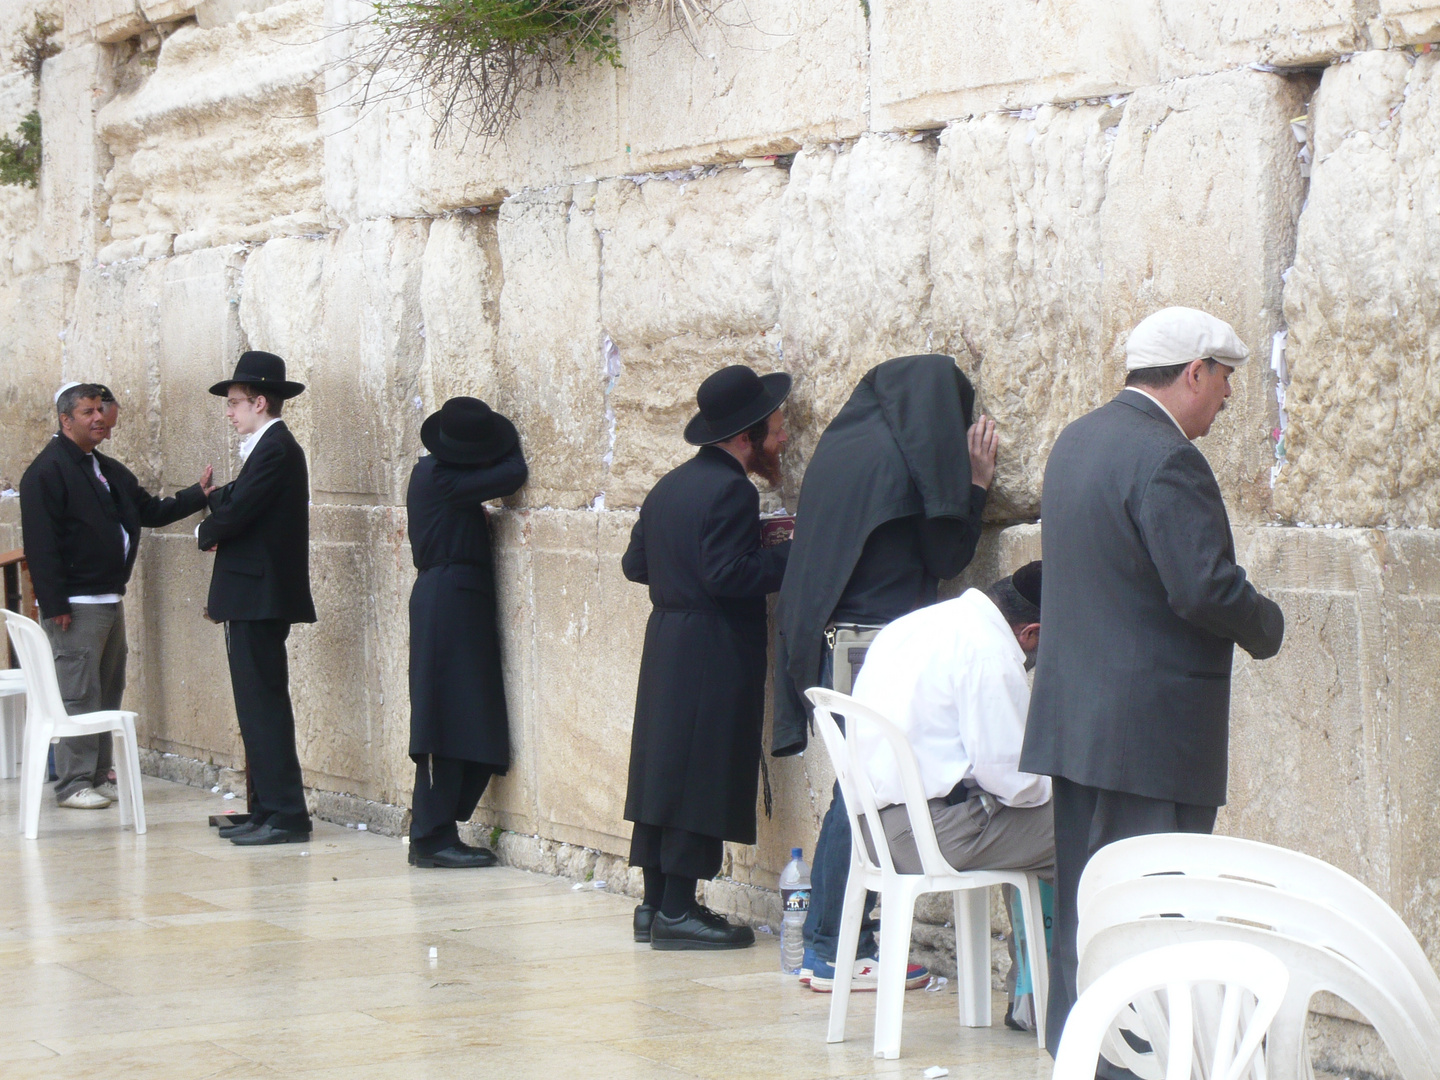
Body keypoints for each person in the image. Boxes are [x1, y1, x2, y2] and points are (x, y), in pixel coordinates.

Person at [1020, 307, 1286, 1055]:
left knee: (1092, 907)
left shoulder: (1078, 440)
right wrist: (1268, 624)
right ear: (1195, 372)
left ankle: (1081, 1053)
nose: (1228, 399)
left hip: (1080, 726)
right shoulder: (1168, 459)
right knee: (1152, 912)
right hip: (1149, 737)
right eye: (1225, 381)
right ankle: (1138, 1062)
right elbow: (1202, 588)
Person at [771, 354, 997, 993]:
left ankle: (840, 941)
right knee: (863, 796)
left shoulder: (845, 450)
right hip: (873, 649)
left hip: (832, 641)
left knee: (857, 791)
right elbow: (945, 554)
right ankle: (831, 947)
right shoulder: (906, 464)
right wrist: (974, 485)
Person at [622, 364, 792, 950]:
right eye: (775, 429)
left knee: (665, 771)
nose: (784, 438)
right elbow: (728, 575)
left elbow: (636, 565)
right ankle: (677, 913)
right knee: (701, 773)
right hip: (712, 647)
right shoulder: (731, 490)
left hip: (668, 638)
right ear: (745, 437)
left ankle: (652, 906)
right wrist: (791, 553)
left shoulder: (667, 486)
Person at [851, 563, 1052, 1019]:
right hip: (925, 835)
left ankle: (1030, 994)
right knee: (1083, 825)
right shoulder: (990, 653)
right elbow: (1016, 782)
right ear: (1031, 632)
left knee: (1027, 830)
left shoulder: (918, 624)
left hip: (872, 832)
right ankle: (1055, 997)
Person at [19, 383, 212, 809]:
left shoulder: (104, 469)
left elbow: (148, 511)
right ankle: (72, 783)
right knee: (78, 693)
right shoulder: (46, 471)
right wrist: (55, 606)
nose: (98, 418)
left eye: (101, 410)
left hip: (108, 599)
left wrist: (197, 495)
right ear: (65, 420)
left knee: (107, 688)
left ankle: (96, 773)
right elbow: (41, 545)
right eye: (88, 412)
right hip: (76, 606)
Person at [199, 352, 318, 847]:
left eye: (235, 403)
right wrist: (215, 503)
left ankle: (287, 814)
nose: (229, 412)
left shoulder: (276, 448)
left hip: (260, 596)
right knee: (254, 707)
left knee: (264, 705)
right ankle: (265, 808)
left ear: (261, 402)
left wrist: (207, 529)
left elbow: (240, 508)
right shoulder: (264, 447)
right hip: (249, 594)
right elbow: (236, 499)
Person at [406, 397, 528, 868]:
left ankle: (439, 828)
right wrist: (505, 438)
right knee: (443, 717)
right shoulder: (440, 478)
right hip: (447, 600)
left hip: (458, 597)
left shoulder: (440, 472)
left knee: (466, 712)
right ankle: (431, 836)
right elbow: (512, 473)